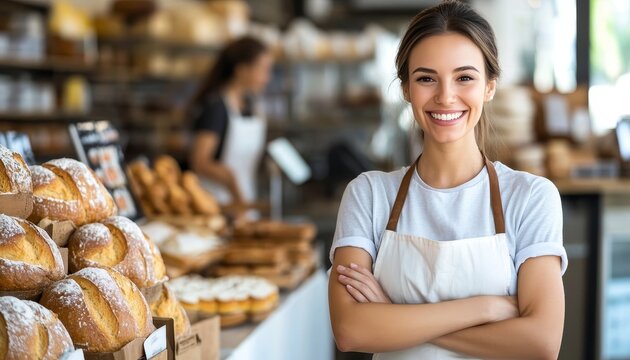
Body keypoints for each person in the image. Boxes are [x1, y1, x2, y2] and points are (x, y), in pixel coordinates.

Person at [328, 1, 567, 359]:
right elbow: (350, 330)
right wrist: (486, 308)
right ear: (407, 88)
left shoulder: (531, 197)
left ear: (489, 86)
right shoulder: (368, 194)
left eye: (465, 77)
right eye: (426, 78)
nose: (445, 96)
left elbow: (541, 342)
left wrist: (395, 316)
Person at [189, 36, 273, 210]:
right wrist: (232, 182)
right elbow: (200, 160)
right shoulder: (216, 107)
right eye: (263, 70)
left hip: (245, 200)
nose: (267, 78)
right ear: (242, 69)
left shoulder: (252, 106)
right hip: (216, 203)